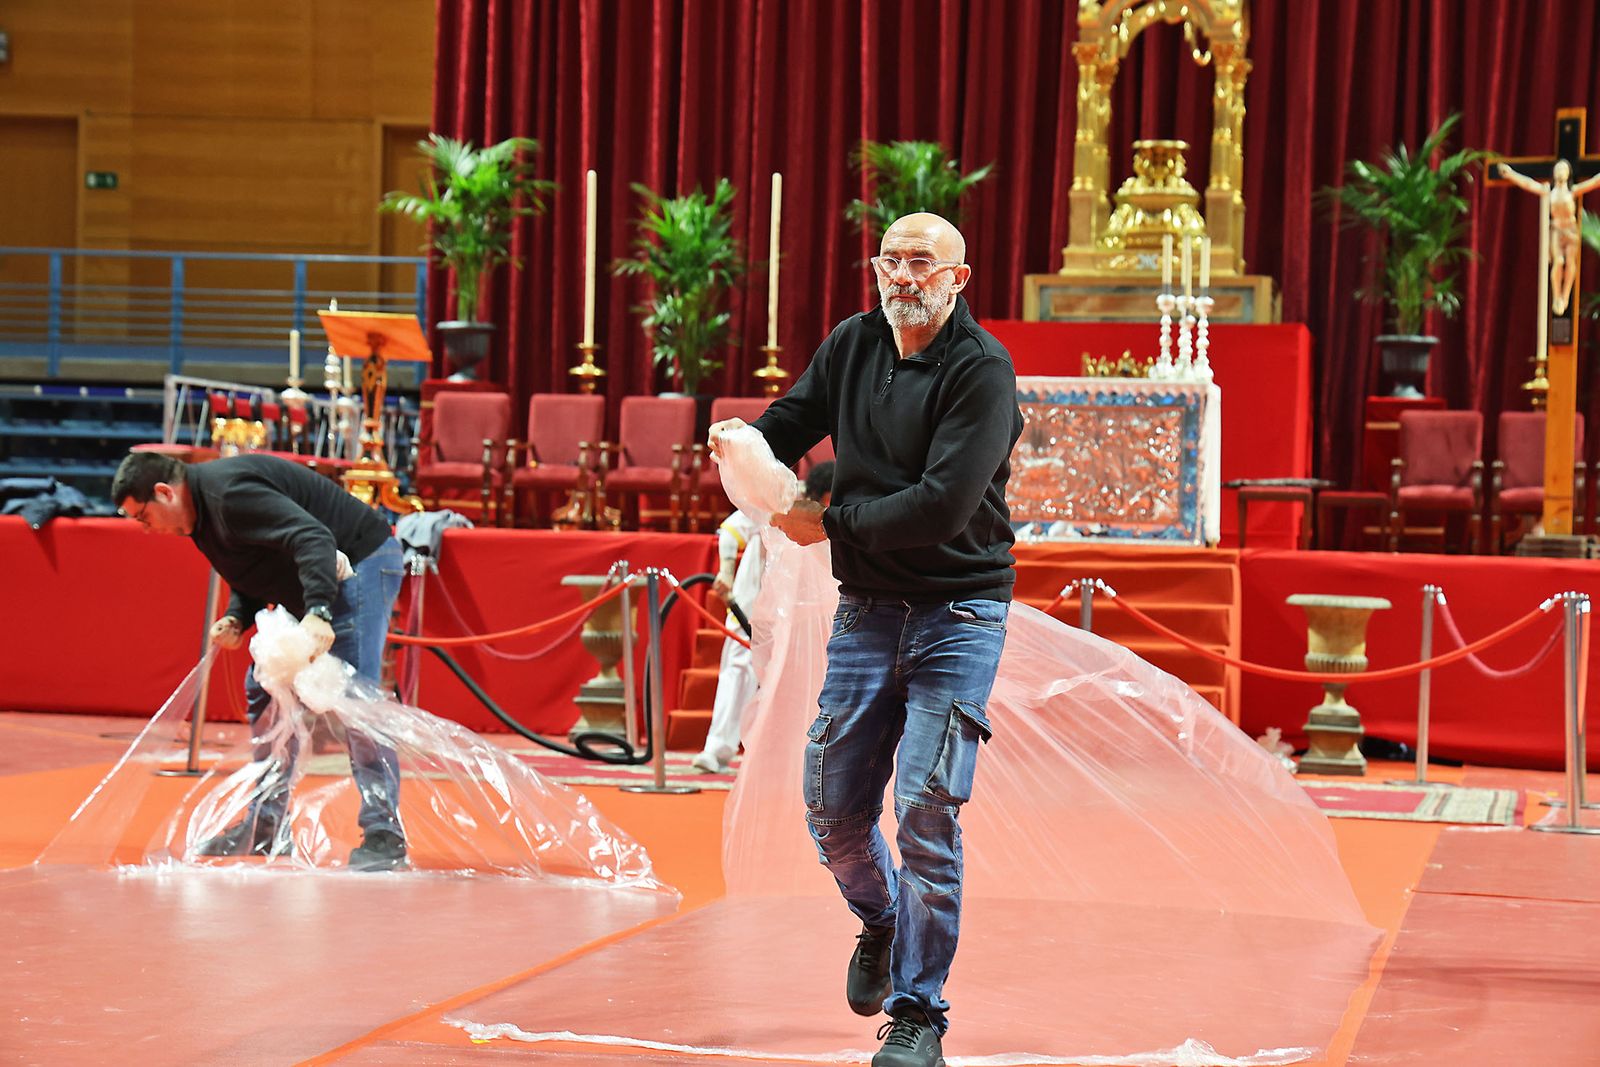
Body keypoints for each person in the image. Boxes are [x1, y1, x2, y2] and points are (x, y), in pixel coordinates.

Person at [708, 213, 1022, 1067]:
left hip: (960, 612)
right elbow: (791, 418)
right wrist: (744, 446)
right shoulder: (852, 342)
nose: (902, 276)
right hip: (869, 606)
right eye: (890, 259)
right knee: (831, 808)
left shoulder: (982, 369)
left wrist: (826, 523)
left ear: (958, 279)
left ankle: (920, 1014)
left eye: (923, 262)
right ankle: (882, 919)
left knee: (924, 808)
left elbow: (942, 504)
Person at [110, 451, 408, 871]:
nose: (145, 529)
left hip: (361, 560)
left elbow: (313, 538)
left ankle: (385, 833)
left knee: (353, 696)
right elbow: (251, 564)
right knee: (264, 687)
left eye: (143, 516)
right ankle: (266, 827)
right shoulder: (199, 517)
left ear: (164, 492)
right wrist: (238, 614)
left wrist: (320, 611)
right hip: (321, 570)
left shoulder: (228, 494)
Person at [692, 460, 834, 775]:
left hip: (804, 605)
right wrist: (726, 572)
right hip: (754, 598)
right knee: (739, 666)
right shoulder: (779, 498)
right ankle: (717, 749)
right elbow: (732, 529)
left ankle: (791, 757)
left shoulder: (840, 512)